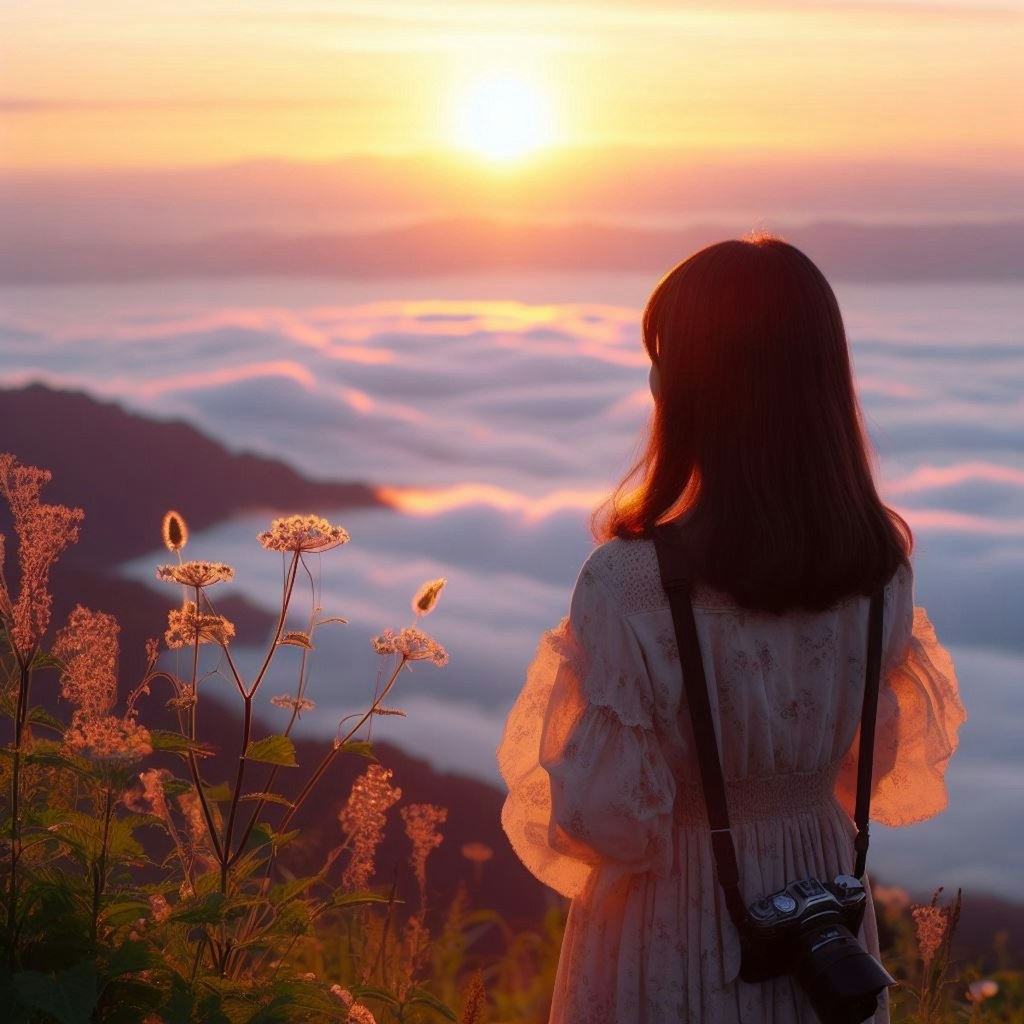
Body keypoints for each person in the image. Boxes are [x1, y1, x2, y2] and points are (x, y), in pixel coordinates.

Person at [496, 237, 967, 1023]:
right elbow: (871, 764)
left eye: (663, 356)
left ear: (698, 386)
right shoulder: (881, 569)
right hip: (822, 915)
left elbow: (600, 821)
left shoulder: (630, 584)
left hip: (673, 914)